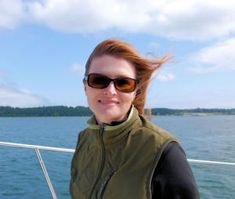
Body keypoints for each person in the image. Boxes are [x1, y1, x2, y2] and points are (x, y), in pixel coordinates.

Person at [70, 39, 200, 199]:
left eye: (123, 83)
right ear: (85, 87)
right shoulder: (84, 139)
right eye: (98, 80)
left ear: (135, 92)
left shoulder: (164, 152)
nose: (110, 91)